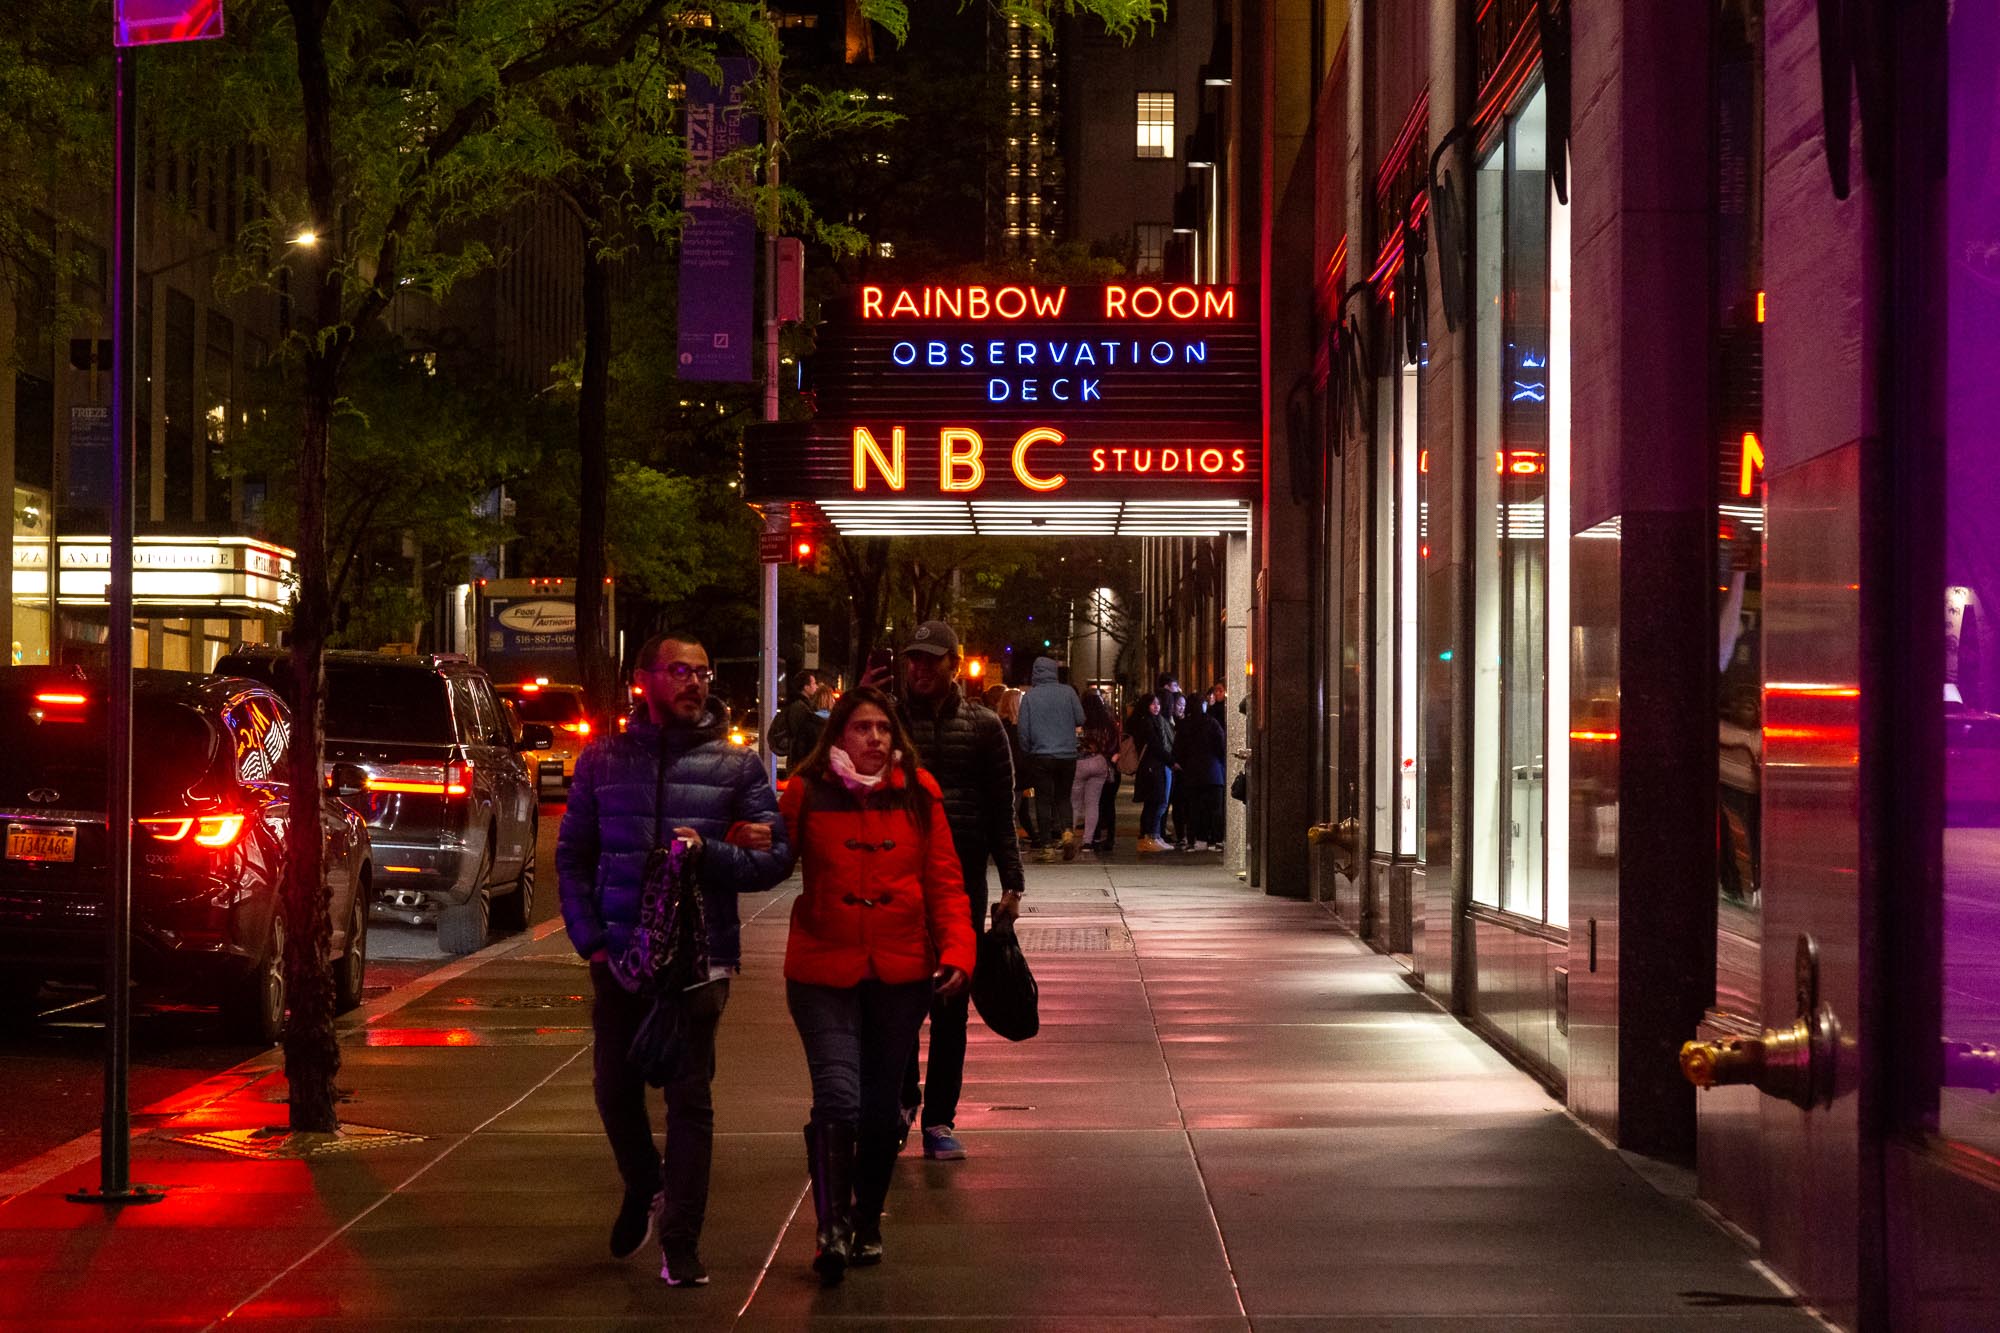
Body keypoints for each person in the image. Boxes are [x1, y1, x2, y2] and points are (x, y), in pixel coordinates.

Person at [556, 630, 793, 1288]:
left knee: (689, 1097)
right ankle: (645, 1184)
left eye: (703, 672)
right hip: (620, 957)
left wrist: (711, 852)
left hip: (699, 959)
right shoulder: (603, 759)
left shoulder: (736, 766)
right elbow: (572, 855)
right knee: (614, 1087)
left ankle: (681, 1240)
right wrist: (591, 938)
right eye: (681, 671)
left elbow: (776, 858)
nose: (695, 682)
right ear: (646, 680)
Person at [779, 686, 975, 1285]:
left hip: (900, 971)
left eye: (883, 729)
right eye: (862, 727)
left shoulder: (919, 793)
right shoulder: (807, 791)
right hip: (823, 969)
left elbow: (945, 881)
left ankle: (866, 1220)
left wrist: (958, 951)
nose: (874, 738)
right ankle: (832, 1229)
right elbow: (769, 861)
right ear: (838, 735)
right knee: (837, 1096)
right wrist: (737, 838)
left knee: (882, 1109)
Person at [890, 620, 1026, 1161]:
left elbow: (1000, 809)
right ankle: (902, 1100)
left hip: (961, 882)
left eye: (931, 659)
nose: (920, 668)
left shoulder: (984, 727)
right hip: (899, 880)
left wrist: (1012, 884)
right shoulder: (889, 722)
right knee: (899, 1000)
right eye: (914, 659)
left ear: (953, 663)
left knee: (950, 1004)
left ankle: (939, 1119)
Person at [1017, 655, 1085, 862]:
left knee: (1043, 800)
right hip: (1067, 755)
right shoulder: (1068, 692)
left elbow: (1023, 730)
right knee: (1063, 797)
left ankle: (1046, 847)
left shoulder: (1030, 697)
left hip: (1041, 755)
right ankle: (1067, 833)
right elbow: (1081, 718)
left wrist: (1027, 751)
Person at [1173, 691, 1227, 850]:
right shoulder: (1212, 723)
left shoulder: (1184, 725)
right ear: (1203, 705)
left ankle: (1194, 840)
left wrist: (1185, 764)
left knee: (1193, 809)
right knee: (1215, 809)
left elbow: (1178, 750)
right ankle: (1216, 840)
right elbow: (1221, 746)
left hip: (1192, 773)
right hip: (1213, 772)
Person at [1130, 692, 1176, 854]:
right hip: (1152, 767)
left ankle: (1152, 837)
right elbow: (1156, 746)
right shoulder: (1146, 723)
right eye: (1153, 704)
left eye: (1158, 703)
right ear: (1146, 706)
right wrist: (1172, 761)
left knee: (1154, 802)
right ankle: (1150, 837)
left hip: (1155, 766)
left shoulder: (1155, 721)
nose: (1156, 707)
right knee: (1156, 802)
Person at [1072, 689, 1116, 855]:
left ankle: (1068, 837)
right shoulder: (1108, 722)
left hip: (1080, 762)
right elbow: (1113, 744)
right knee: (1093, 804)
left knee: (1075, 803)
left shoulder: (1079, 722)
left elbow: (1073, 742)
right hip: (1100, 762)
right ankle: (1088, 842)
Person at [995, 687, 1035, 849]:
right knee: (1014, 808)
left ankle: (1033, 837)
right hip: (1017, 772)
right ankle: (1008, 842)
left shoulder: (998, 724)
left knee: (1019, 807)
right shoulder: (1017, 728)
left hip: (1005, 770)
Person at [771, 667, 825, 773]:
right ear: (806, 687)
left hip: (799, 761)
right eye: (814, 683)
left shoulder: (802, 705)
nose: (816, 686)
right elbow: (801, 735)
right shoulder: (799, 707)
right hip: (799, 763)